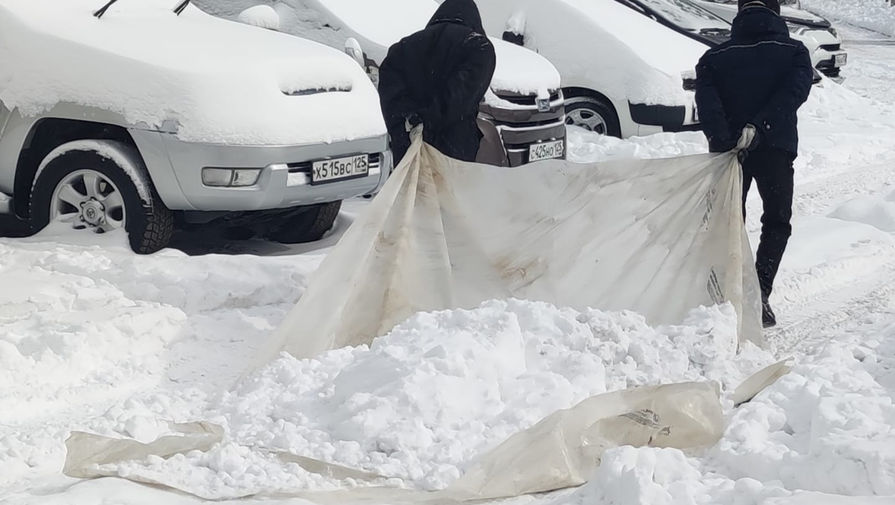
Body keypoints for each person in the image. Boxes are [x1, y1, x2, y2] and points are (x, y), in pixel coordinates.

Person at [694, 0, 814, 328]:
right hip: (775, 149)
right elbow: (793, 94)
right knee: (776, 222)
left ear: (739, 16)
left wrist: (724, 139)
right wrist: (761, 127)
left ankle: (726, 295)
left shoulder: (714, 58)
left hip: (730, 154)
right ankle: (758, 291)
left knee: (730, 222)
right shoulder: (794, 52)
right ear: (775, 14)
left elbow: (707, 103)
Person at [378, 0, 496, 163]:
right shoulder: (478, 48)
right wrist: (428, 121)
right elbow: (459, 97)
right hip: (453, 152)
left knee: (411, 188)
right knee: (448, 189)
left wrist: (404, 125)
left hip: (408, 148)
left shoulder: (404, 47)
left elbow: (389, 81)